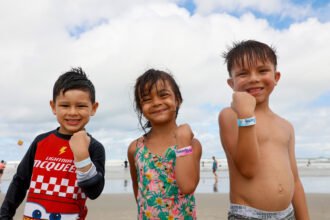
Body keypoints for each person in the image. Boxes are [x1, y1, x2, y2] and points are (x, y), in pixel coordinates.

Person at [218, 40, 309, 219]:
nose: (253, 78)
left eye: (262, 71)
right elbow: (248, 168)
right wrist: (245, 114)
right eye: (243, 73)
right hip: (248, 215)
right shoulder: (230, 116)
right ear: (231, 83)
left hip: (287, 214)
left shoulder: (286, 126)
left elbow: (296, 181)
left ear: (276, 77)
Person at [0, 67, 105, 220]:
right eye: (65, 105)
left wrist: (82, 156)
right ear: (53, 106)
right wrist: (5, 215)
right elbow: (20, 181)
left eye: (81, 106)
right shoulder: (40, 141)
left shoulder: (94, 147)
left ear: (93, 108)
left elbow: (94, 192)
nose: (73, 112)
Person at [127, 69, 202, 219]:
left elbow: (187, 186)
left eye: (163, 95)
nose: (156, 103)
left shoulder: (191, 144)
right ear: (141, 108)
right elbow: (138, 191)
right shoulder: (135, 148)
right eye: (147, 99)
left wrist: (183, 142)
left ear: (177, 100)